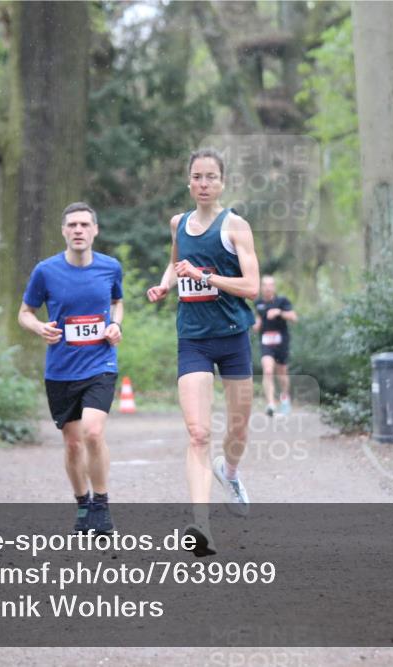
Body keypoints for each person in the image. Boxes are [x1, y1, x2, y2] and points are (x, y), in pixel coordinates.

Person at [147, 148, 260, 556]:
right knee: (198, 432)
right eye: (197, 177)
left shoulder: (237, 227)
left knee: (239, 429)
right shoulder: (179, 224)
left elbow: (250, 287)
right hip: (192, 337)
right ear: (189, 181)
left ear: (222, 182)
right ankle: (200, 526)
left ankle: (229, 472)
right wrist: (167, 284)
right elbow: (176, 264)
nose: (204, 184)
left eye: (211, 177)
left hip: (232, 337)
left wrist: (205, 275)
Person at [18, 202, 123, 535]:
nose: (78, 230)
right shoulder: (46, 271)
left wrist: (115, 325)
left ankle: (102, 507)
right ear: (64, 231)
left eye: (84, 225)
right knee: (73, 443)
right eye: (72, 225)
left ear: (95, 231)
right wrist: (39, 328)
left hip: (100, 362)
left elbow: (118, 302)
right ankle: (82, 506)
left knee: (93, 431)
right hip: (61, 370)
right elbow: (25, 312)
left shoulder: (110, 267)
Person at [253, 275, 297, 417]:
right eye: (264, 285)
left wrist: (280, 312)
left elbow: (294, 317)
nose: (267, 288)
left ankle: (284, 398)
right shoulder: (258, 303)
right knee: (267, 370)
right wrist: (255, 324)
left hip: (281, 342)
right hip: (266, 342)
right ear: (261, 287)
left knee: (282, 373)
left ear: (274, 287)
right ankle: (270, 404)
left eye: (270, 285)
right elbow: (258, 320)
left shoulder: (282, 301)